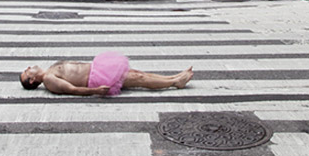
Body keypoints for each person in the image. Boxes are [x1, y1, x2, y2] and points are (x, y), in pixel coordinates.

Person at [20, 52, 193, 96]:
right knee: (138, 79)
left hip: (98, 69)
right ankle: (174, 83)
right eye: (27, 71)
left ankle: (173, 78)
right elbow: (72, 89)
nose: (29, 67)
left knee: (136, 74)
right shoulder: (50, 80)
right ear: (32, 79)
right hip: (97, 78)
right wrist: (96, 91)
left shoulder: (49, 71)